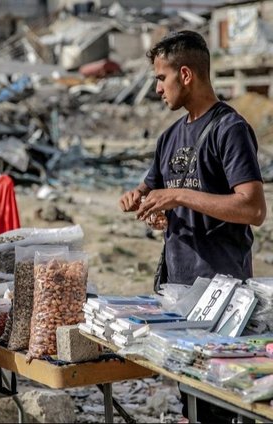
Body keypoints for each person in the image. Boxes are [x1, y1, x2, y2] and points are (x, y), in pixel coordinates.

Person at [119, 30, 266, 423]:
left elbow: (252, 208)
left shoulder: (229, 129)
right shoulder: (169, 136)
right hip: (178, 290)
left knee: (220, 404)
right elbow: (151, 189)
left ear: (186, 75)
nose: (156, 88)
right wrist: (143, 203)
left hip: (223, 295)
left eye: (161, 78)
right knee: (191, 400)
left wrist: (178, 196)